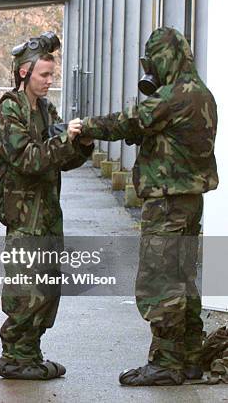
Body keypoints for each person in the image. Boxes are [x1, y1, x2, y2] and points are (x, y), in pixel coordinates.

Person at [77, 27, 218, 386]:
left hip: (167, 203)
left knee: (161, 280)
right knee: (184, 278)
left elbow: (129, 120)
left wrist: (84, 127)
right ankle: (187, 357)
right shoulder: (201, 94)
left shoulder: (173, 97)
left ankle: (165, 363)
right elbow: (157, 130)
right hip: (188, 201)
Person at [0, 32, 94, 380]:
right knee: (25, 289)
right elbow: (29, 160)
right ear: (23, 74)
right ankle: (14, 356)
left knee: (46, 288)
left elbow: (59, 161)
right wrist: (65, 140)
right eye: (44, 75)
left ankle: (29, 353)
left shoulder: (46, 110)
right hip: (24, 216)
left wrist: (81, 145)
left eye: (52, 75)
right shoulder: (9, 111)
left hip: (46, 212)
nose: (50, 81)